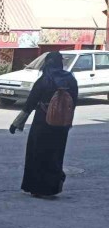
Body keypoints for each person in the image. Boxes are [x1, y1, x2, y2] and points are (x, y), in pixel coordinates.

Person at [9, 51, 78, 197]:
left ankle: (37, 188)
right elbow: (74, 102)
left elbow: (30, 104)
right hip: (61, 124)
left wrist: (16, 123)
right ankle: (53, 187)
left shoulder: (44, 79)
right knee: (56, 154)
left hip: (43, 122)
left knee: (38, 154)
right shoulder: (70, 79)